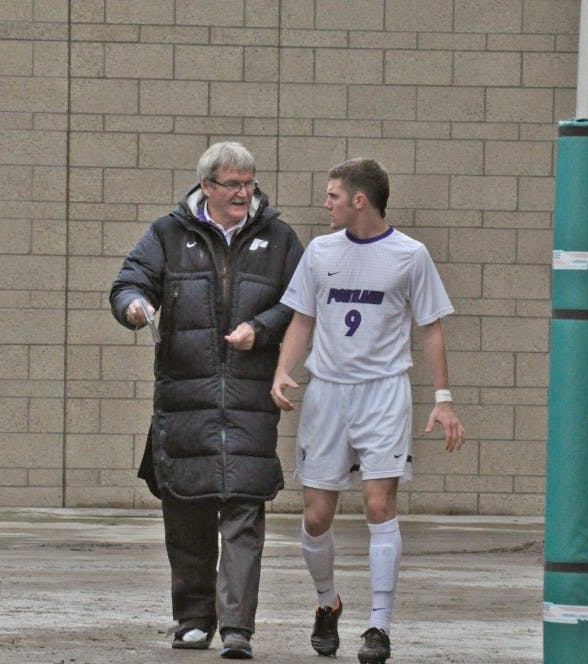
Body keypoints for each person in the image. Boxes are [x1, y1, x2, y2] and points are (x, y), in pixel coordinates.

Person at [109, 141, 303, 659]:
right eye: (233, 185)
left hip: (248, 399)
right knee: (187, 510)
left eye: (249, 183)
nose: (244, 193)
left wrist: (261, 330)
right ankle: (194, 620)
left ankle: (238, 628)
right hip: (184, 396)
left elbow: (300, 302)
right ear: (208, 186)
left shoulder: (279, 237)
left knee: (244, 511)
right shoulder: (168, 233)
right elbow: (130, 282)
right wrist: (134, 306)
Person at [270, 158, 464, 664]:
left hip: (383, 393)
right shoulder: (319, 251)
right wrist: (283, 370)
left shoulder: (410, 255)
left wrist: (444, 401)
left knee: (379, 505)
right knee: (316, 516)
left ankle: (379, 625)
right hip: (328, 393)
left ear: (360, 200)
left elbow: (431, 330)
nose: (326, 202)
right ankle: (326, 603)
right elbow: (302, 320)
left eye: (333, 195)